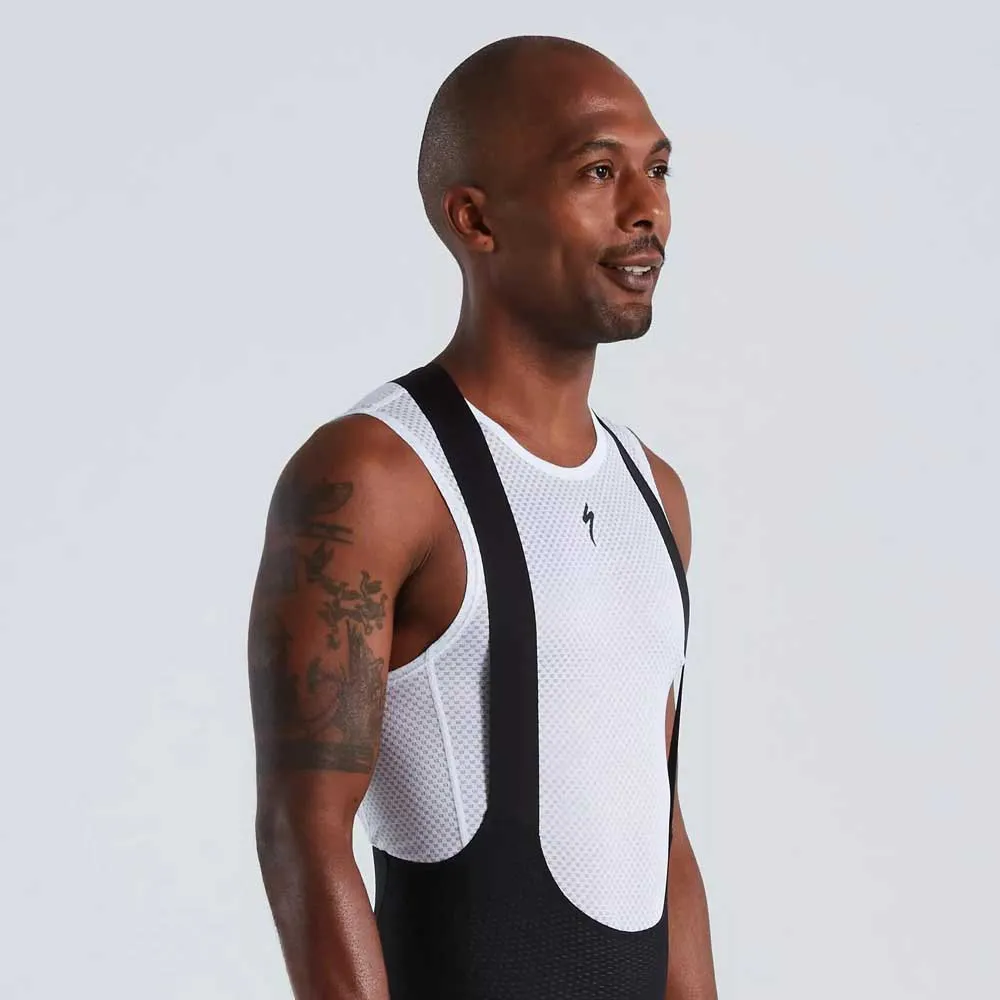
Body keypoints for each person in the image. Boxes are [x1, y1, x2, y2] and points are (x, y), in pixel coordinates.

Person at [248, 34, 717, 1000]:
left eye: (658, 169)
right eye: (599, 171)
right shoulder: (377, 475)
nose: (648, 209)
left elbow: (658, 826)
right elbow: (304, 828)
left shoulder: (655, 492)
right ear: (476, 218)